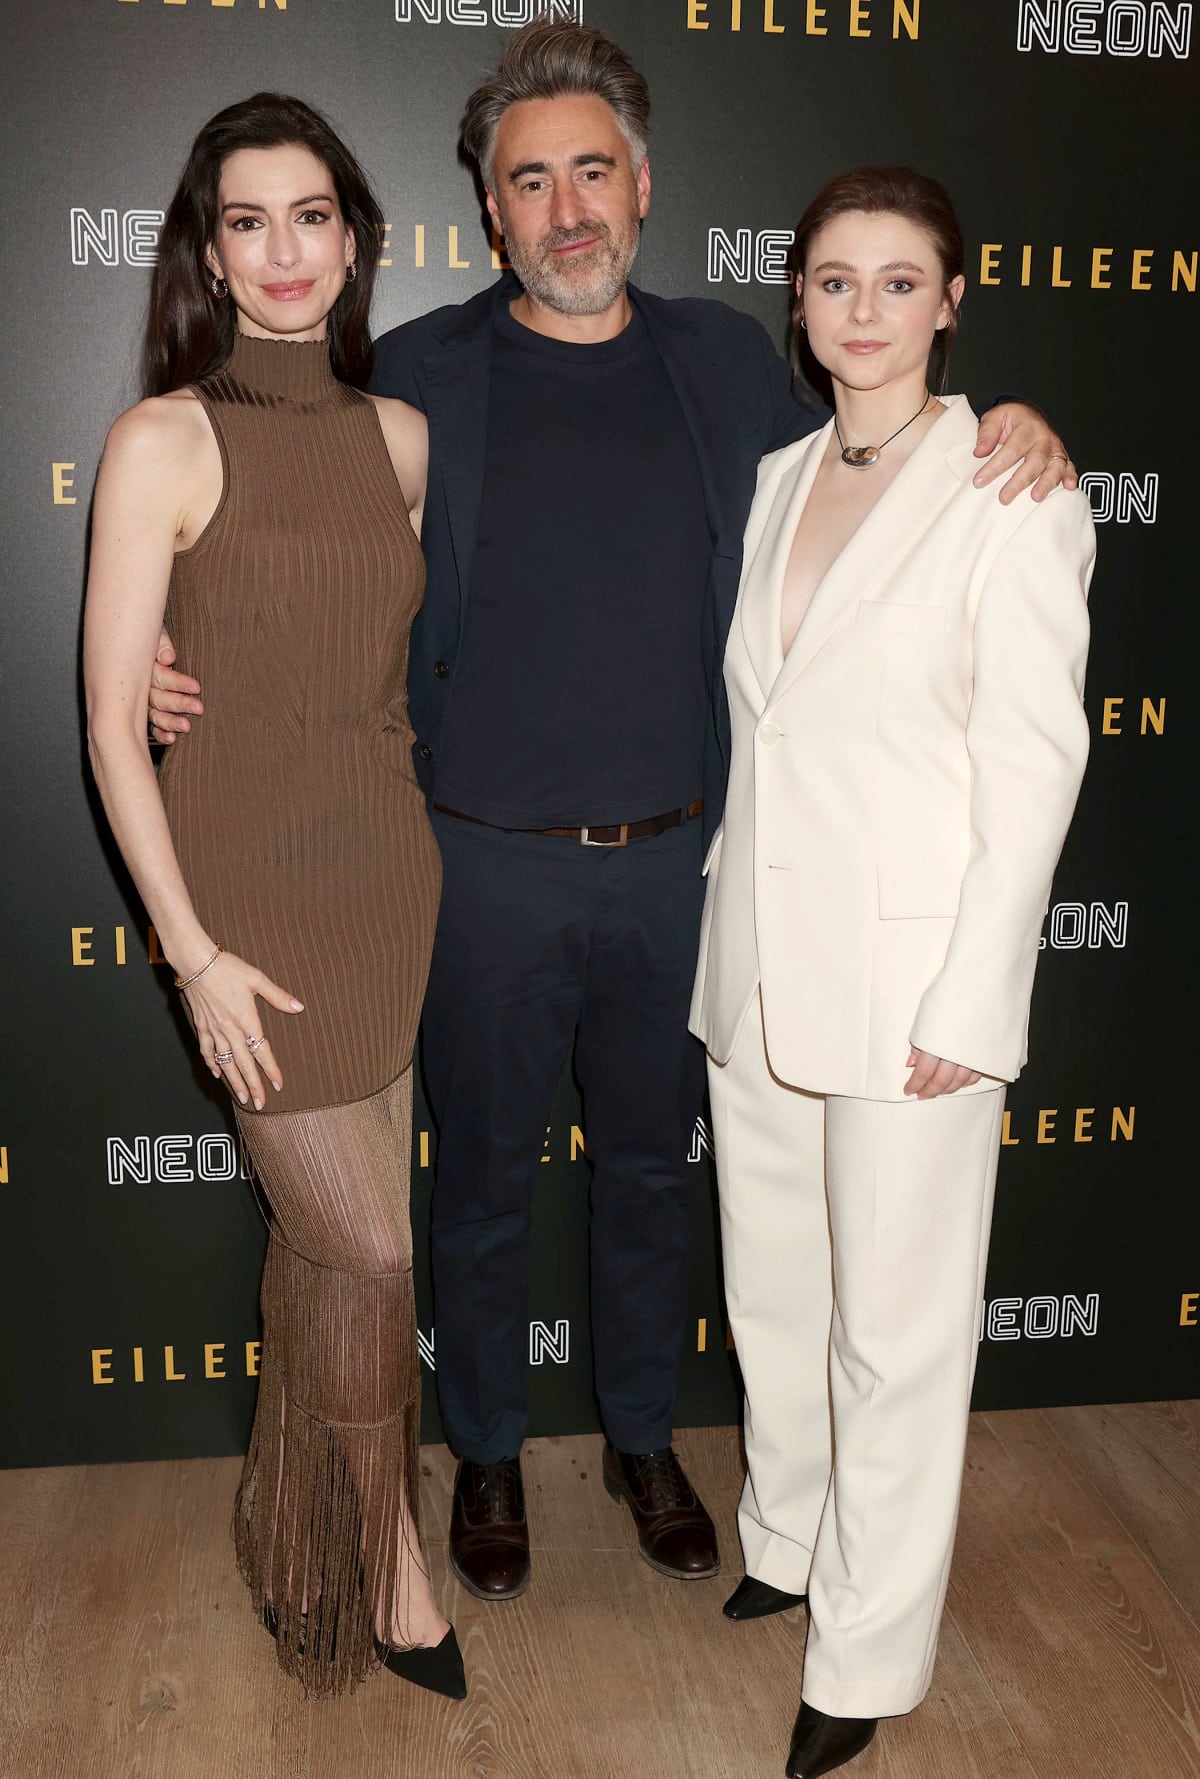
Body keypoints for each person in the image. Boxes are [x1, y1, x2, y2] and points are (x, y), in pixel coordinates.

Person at [147, 23, 1075, 1606]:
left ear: (642, 186)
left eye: (594, 171)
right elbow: (278, 506)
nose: (568, 208)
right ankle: (490, 1456)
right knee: (482, 1179)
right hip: (478, 866)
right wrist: (175, 650)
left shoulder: (732, 359)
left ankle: (647, 1441)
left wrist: (1020, 426)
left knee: (660, 1174)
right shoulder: (422, 371)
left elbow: (889, 437)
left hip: (697, 869)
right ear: (488, 207)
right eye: (531, 181)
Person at [690, 166, 1095, 1777]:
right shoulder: (782, 475)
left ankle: (863, 1654)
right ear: (800, 301)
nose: (864, 310)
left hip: (915, 990)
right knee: (777, 1294)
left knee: (897, 1336)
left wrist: (974, 1004)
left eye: (898, 281)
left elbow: (1036, 770)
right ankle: (785, 1540)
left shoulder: (1015, 492)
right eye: (835, 281)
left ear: (953, 299)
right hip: (765, 972)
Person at [83, 94, 465, 1701]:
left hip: (388, 879)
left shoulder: (399, 438)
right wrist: (195, 959)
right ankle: (385, 1554)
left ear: (355, 237)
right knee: (371, 1256)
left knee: (324, 1261)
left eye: (312, 215)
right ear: (212, 253)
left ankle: (282, 1518)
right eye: (250, 222)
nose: (286, 250)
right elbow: (114, 720)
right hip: (243, 912)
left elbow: (355, 677)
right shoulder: (163, 435)